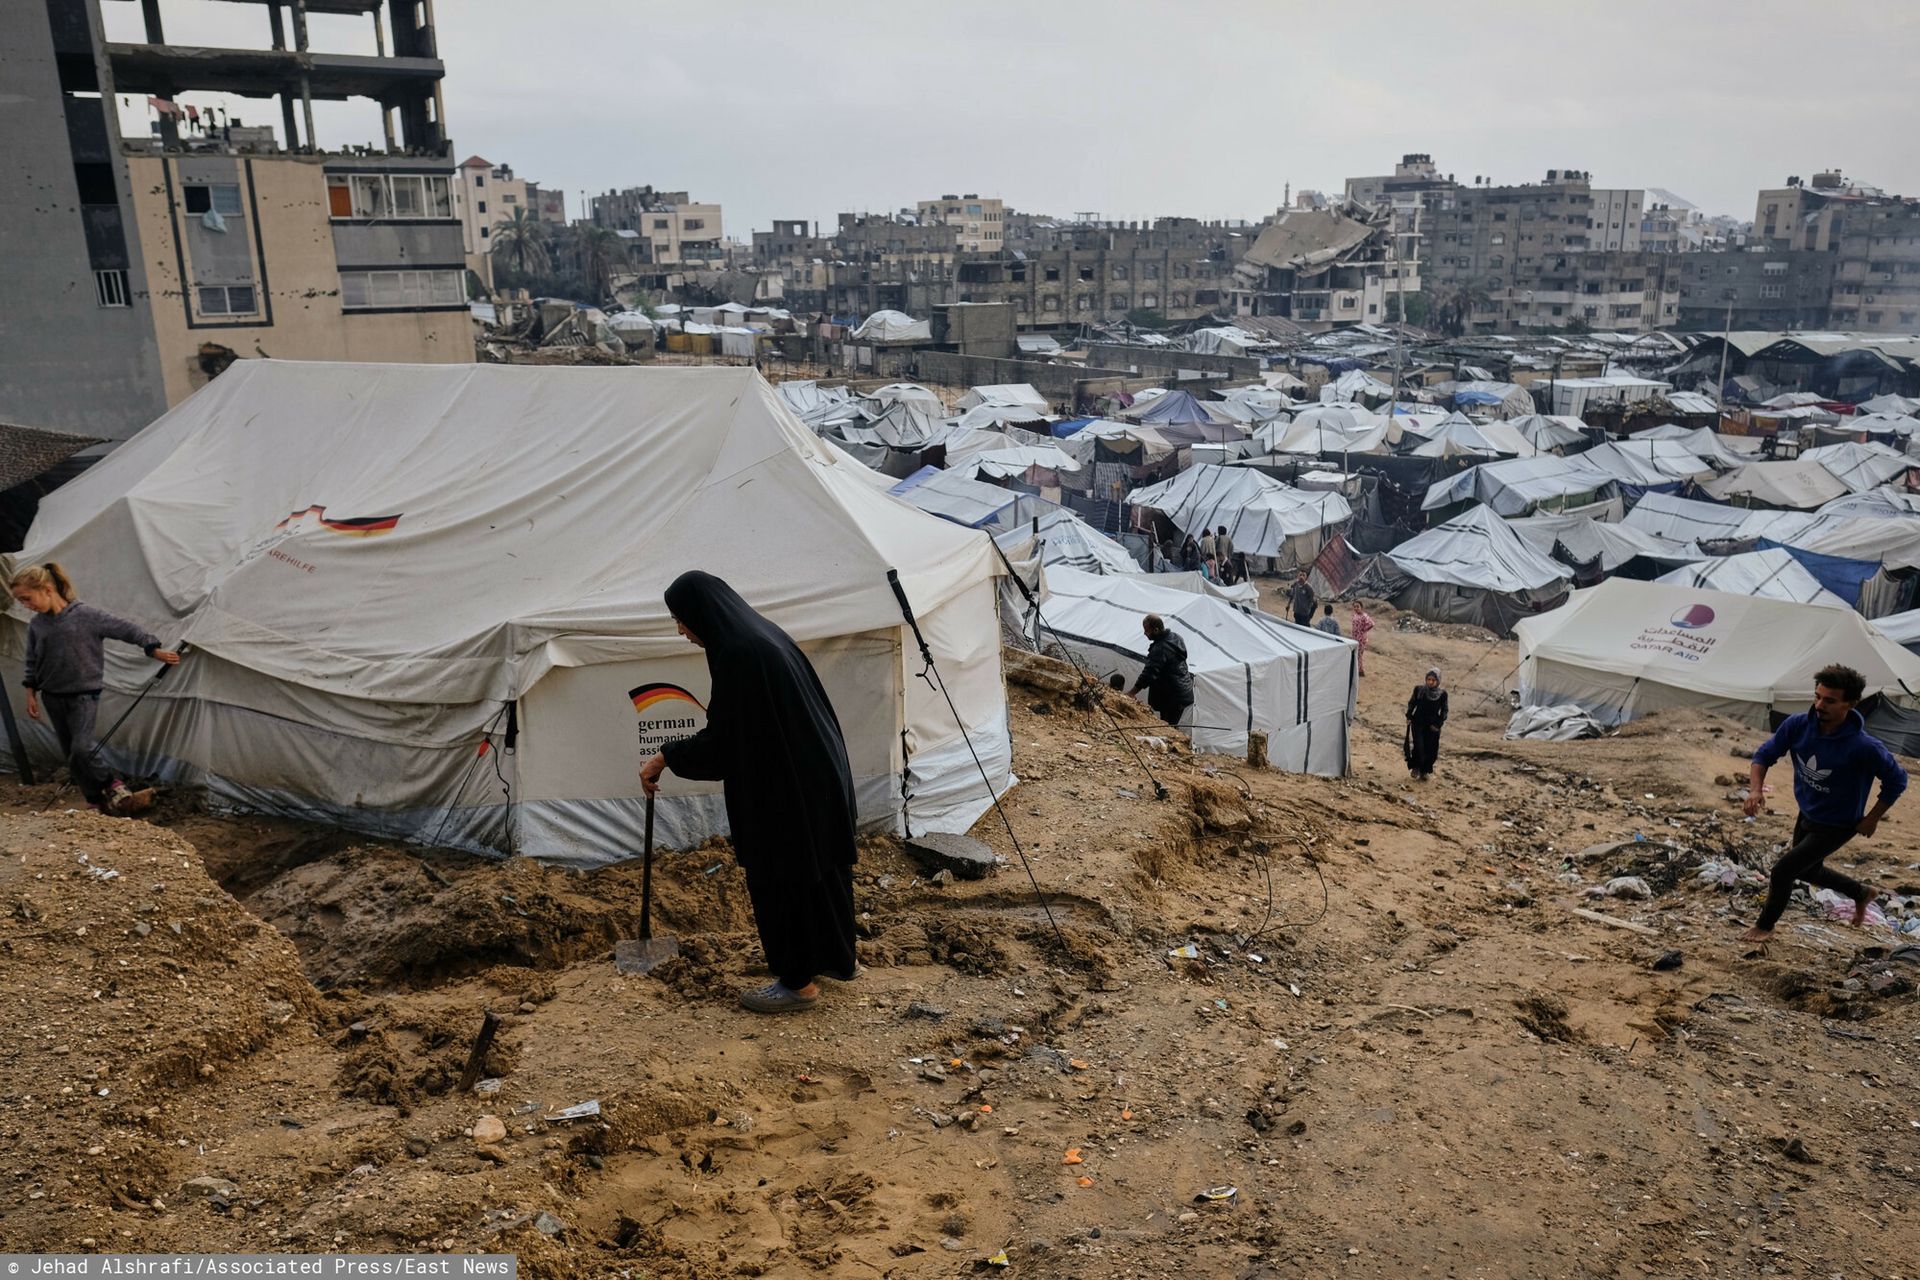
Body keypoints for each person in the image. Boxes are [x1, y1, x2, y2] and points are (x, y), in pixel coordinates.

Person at [638, 571, 860, 1014]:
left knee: (783, 878)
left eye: (680, 620)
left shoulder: (740, 654)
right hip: (818, 775)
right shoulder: (761, 634)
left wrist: (665, 756)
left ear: (702, 614)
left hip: (787, 791)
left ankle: (797, 984)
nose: (680, 630)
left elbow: (725, 745)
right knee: (821, 873)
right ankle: (838, 960)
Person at [1740, 663, 1906, 943]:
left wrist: (1873, 817)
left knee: (1783, 871)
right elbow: (1763, 755)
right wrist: (1755, 790)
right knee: (1808, 870)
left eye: (1830, 700)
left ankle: (1765, 926)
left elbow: (1897, 781)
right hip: (1807, 811)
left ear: (1850, 704)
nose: (1819, 705)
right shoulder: (1797, 726)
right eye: (1817, 696)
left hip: (1839, 823)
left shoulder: (1865, 747)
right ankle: (1862, 892)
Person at [11, 563, 179, 815]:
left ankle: (113, 784)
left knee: (82, 749)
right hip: (52, 697)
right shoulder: (38, 625)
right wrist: (30, 692)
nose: (26, 605)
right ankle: (95, 801)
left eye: (27, 598)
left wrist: (152, 648)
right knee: (72, 755)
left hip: (83, 695)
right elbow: (33, 661)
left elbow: (126, 629)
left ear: (47, 589)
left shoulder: (86, 616)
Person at [1130, 613, 1193, 728]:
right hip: (1183, 690)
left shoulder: (1160, 648)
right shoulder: (1176, 637)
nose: (1144, 633)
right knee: (1170, 723)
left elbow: (1149, 674)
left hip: (1172, 695)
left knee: (1168, 726)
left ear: (1156, 630)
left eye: (1146, 630)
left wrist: (1132, 692)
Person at [1405, 668, 1447, 779]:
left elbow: (1444, 710)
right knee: (1419, 746)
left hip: (1433, 725)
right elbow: (1412, 703)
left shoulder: (1442, 694)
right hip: (1418, 722)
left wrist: (1438, 724)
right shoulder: (1419, 690)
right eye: (1428, 679)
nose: (1430, 682)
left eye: (1433, 680)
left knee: (1431, 749)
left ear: (1438, 681)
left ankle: (1425, 771)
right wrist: (1409, 715)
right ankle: (1416, 767)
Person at [1350, 604, 1375, 677]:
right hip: (1355, 637)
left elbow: (1371, 624)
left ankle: (1359, 671)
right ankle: (1359, 671)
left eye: (1358, 607)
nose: (1356, 608)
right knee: (1356, 654)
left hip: (1361, 638)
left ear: (1361, 607)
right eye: (1355, 607)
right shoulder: (1355, 615)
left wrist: (1364, 630)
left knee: (1359, 655)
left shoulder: (1364, 616)